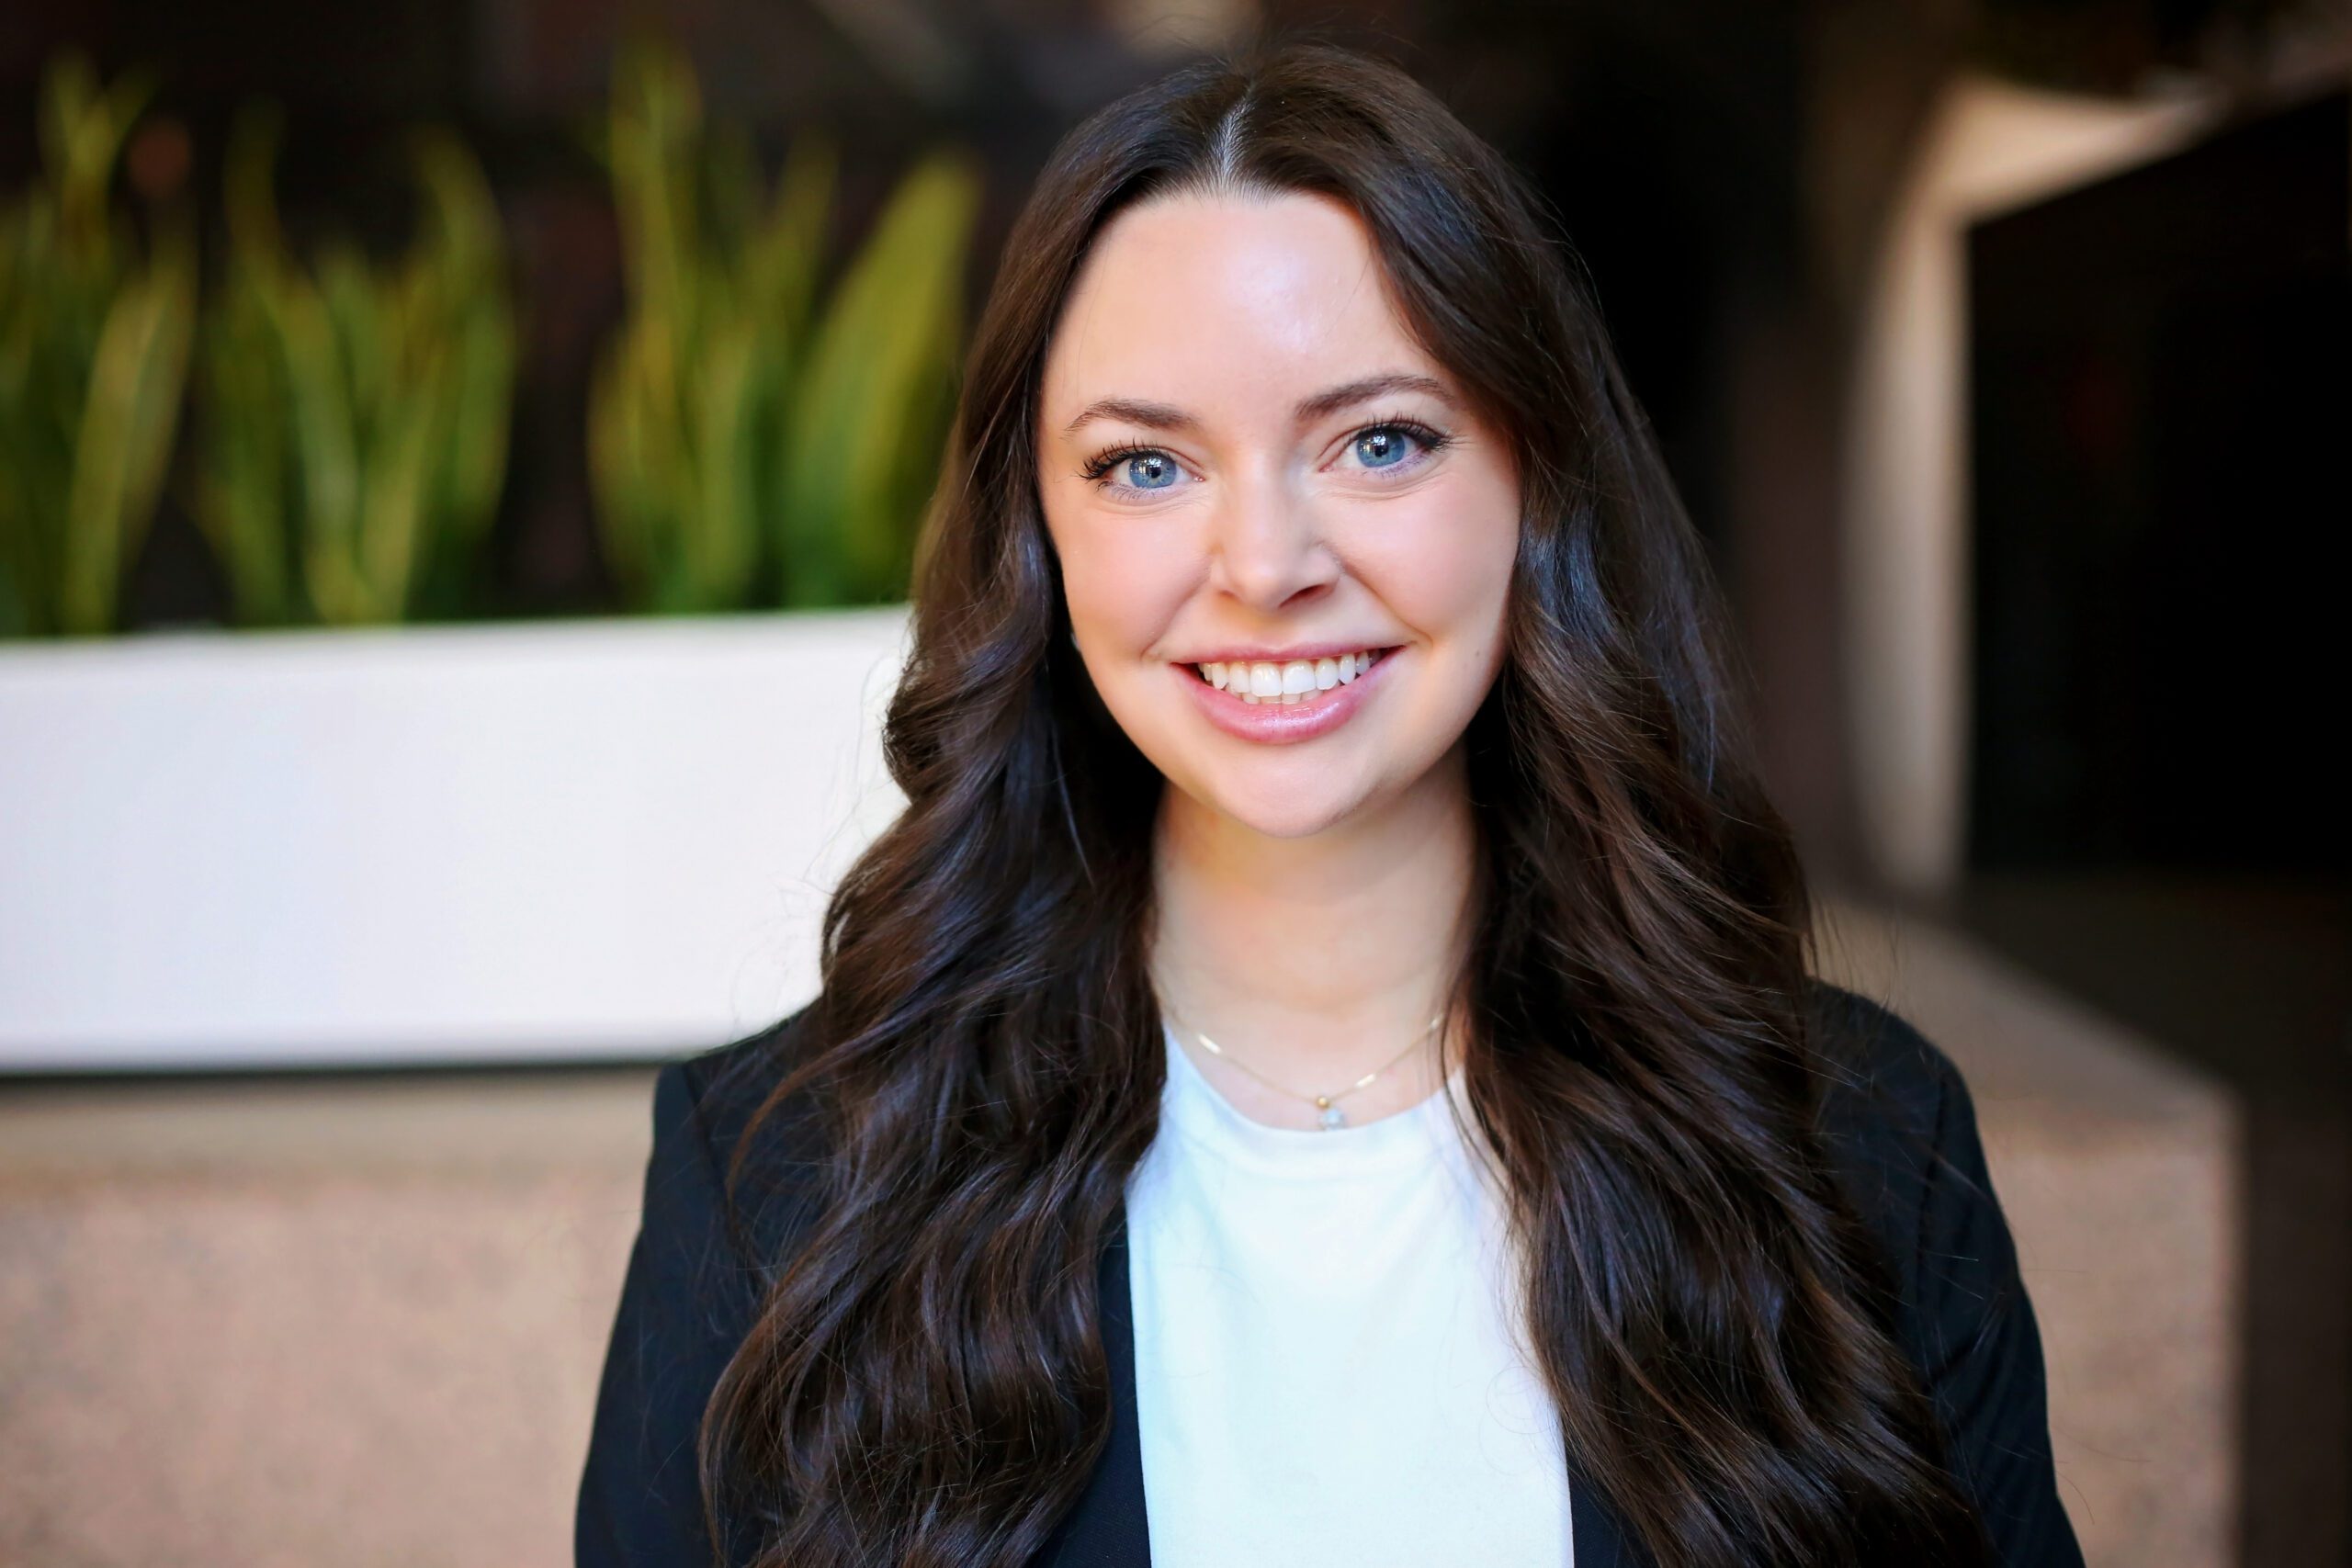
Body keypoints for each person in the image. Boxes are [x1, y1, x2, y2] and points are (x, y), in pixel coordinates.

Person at [577, 38, 2084, 1568]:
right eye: (1145, 465)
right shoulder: (785, 1173)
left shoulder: (1858, 1142)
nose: (1264, 566)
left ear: (1534, 483)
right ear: (1036, 532)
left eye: (1380, 442)